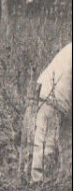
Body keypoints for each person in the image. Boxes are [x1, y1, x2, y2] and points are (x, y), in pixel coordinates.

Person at [31, 42, 72, 183]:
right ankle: (38, 186)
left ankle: (62, 184)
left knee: (65, 147)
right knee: (45, 146)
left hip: (60, 99)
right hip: (51, 98)